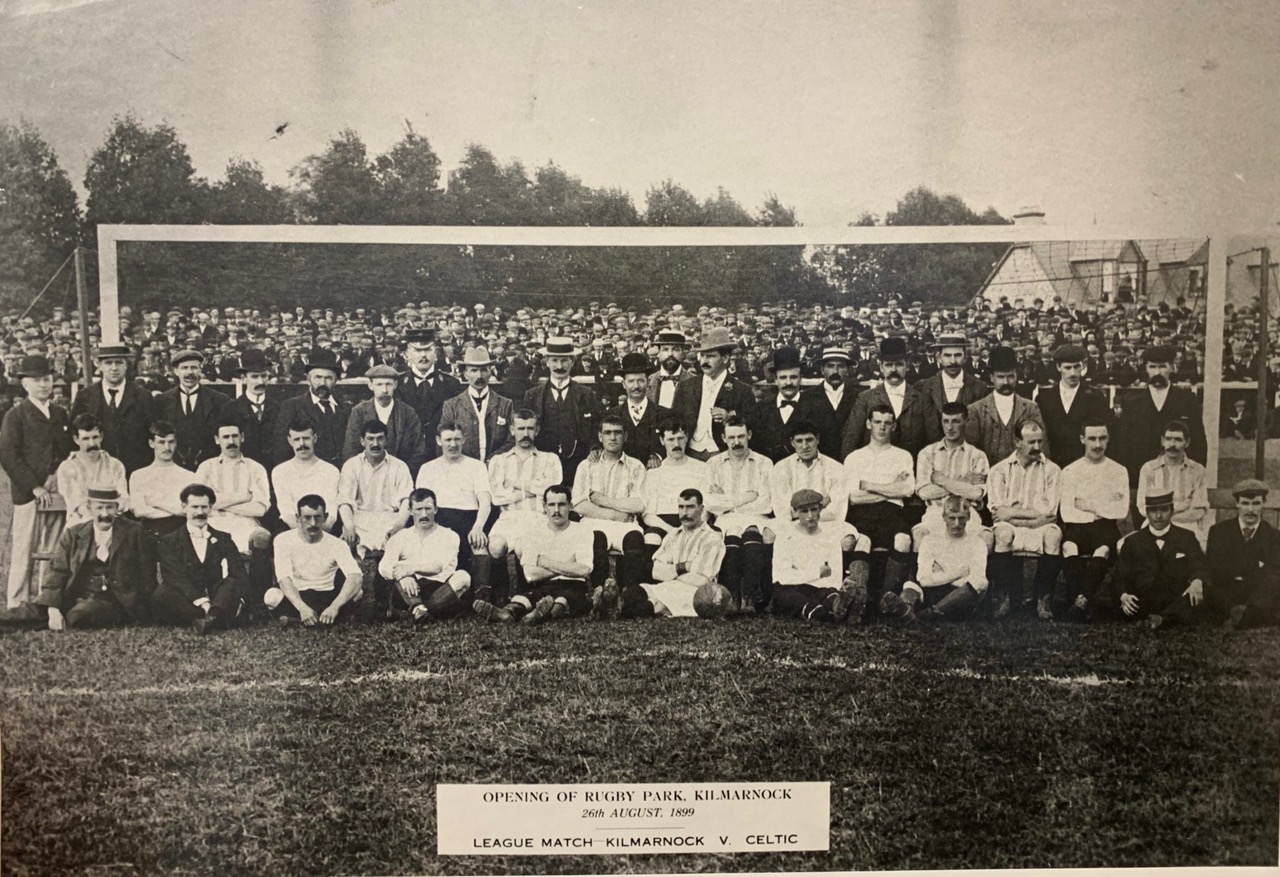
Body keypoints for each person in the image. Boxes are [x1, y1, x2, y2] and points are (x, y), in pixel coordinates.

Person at [0, 355, 73, 612]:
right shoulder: (16, 415)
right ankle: (17, 602)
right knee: (24, 545)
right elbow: (9, 455)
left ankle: (45, 597)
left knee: (52, 545)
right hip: (29, 492)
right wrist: (34, 486)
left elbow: (66, 449)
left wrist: (56, 475)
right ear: (25, 384)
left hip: (55, 488)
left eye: (46, 379)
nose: (43, 385)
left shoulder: (60, 413)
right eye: (36, 380)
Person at [473, 485, 598, 624]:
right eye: (551, 505)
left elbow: (584, 570)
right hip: (543, 585)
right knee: (524, 598)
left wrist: (546, 562)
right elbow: (531, 575)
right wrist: (569, 565)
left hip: (573, 586)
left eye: (561, 505)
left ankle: (542, 615)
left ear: (570, 506)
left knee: (563, 600)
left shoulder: (582, 531)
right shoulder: (533, 532)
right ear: (544, 507)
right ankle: (505, 613)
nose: (556, 510)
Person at [36, 486, 153, 630]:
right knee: (25, 613)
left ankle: (60, 619)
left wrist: (138, 608)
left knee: (80, 614)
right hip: (75, 595)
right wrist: (53, 609)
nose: (105, 514)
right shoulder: (73, 534)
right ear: (89, 508)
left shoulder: (134, 532)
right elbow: (58, 571)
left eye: (109, 508)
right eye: (99, 508)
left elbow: (147, 573)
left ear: (117, 508)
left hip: (115, 602)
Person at [987, 421, 1062, 620]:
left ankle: (1042, 599)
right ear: (1017, 442)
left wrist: (1012, 513)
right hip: (1011, 527)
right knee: (1003, 534)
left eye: (1040, 441)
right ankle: (1005, 599)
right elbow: (996, 510)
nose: (1037, 447)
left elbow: (1050, 510)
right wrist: (1033, 516)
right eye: (1031, 442)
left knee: (1053, 536)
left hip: (1041, 527)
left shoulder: (1052, 470)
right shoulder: (1000, 470)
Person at [1058, 419, 1130, 621]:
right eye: (1092, 439)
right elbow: (1067, 513)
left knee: (1103, 550)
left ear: (1108, 439)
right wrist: (1104, 507)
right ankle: (1080, 601)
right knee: (1069, 547)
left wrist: (1089, 505)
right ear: (1082, 439)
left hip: (1105, 528)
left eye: (1102, 438)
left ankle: (1080, 600)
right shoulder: (1070, 471)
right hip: (1077, 527)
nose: (1097, 444)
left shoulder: (1119, 470)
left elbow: (1121, 511)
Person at [152, 483, 247, 634]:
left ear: (210, 508)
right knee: (162, 593)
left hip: (217, 598)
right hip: (189, 600)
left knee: (231, 583)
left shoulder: (223, 538)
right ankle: (209, 619)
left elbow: (238, 572)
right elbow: (174, 577)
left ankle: (209, 619)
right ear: (184, 507)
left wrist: (225, 599)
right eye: (194, 507)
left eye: (204, 507)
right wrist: (202, 602)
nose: (200, 512)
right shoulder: (169, 540)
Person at [769, 488, 872, 624]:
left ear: (820, 509)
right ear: (795, 512)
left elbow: (833, 576)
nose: (810, 515)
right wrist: (817, 572)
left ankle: (839, 605)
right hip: (792, 587)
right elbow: (782, 576)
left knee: (830, 594)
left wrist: (800, 571)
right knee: (788, 598)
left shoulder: (829, 537)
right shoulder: (786, 536)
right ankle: (826, 614)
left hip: (820, 588)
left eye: (814, 509)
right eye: (804, 511)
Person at [882, 495, 989, 623]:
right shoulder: (930, 540)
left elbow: (977, 579)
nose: (956, 524)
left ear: (968, 517)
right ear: (943, 517)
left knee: (981, 583)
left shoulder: (977, 543)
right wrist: (960, 573)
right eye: (952, 518)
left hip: (962, 601)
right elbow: (923, 579)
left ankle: (928, 614)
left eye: (961, 518)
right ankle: (906, 609)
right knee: (910, 585)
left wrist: (939, 575)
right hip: (935, 594)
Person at [1116, 344, 1207, 491]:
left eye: (1162, 367)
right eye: (1152, 367)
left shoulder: (1187, 400)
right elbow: (1123, 445)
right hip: (1141, 478)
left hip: (1178, 478)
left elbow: (1198, 441)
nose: (1157, 372)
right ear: (1146, 368)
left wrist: (1194, 475)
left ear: (1172, 367)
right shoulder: (1132, 403)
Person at [1111, 489, 1206, 629]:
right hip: (1145, 598)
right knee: (1131, 604)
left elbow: (1200, 566)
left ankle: (1160, 619)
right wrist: (1124, 595)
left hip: (1175, 598)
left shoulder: (1186, 537)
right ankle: (1164, 619)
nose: (1159, 516)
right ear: (1147, 513)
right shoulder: (1133, 541)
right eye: (1153, 511)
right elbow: (1119, 575)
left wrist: (1197, 580)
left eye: (1164, 510)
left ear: (1172, 510)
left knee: (1194, 598)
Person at [266, 494, 364, 626]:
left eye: (318, 517)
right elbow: (284, 579)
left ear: (325, 517)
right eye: (307, 517)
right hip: (297, 595)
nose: (313, 523)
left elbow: (356, 576)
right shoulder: (283, 540)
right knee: (271, 596)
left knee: (358, 592)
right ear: (298, 518)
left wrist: (334, 607)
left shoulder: (337, 543)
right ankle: (329, 618)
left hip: (327, 595)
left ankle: (300, 619)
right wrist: (302, 608)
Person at [378, 488, 472, 623]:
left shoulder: (449, 536)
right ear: (410, 511)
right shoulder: (400, 537)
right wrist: (403, 576)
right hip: (410, 590)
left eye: (428, 509)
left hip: (441, 590)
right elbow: (384, 566)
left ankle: (417, 611)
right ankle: (420, 608)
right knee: (398, 570)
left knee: (463, 577)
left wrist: (410, 568)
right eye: (418, 509)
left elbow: (438, 566)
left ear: (436, 509)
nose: (423, 514)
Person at [630, 488, 727, 618]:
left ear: (702, 509)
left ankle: (642, 608)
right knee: (636, 592)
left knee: (656, 604)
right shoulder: (673, 535)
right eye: (681, 507)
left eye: (690, 507)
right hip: (667, 586)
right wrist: (685, 567)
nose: (684, 513)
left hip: (694, 593)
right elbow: (656, 571)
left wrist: (669, 573)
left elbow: (701, 580)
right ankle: (614, 606)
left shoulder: (712, 538)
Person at [523, 336, 606, 484]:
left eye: (564, 360)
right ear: (547, 362)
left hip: (577, 463)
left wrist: (594, 448)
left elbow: (596, 425)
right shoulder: (532, 395)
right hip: (543, 464)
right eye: (554, 360)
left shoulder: (586, 394)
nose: (559, 366)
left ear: (572, 362)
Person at [672, 326, 756, 461]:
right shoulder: (686, 386)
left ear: (725, 358)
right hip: (689, 453)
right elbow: (674, 420)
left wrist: (729, 418)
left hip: (723, 453)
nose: (704, 361)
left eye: (711, 356)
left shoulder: (742, 390)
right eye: (703, 356)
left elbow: (752, 424)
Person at [415, 420, 492, 568]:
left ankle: (482, 591)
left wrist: (478, 527)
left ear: (464, 440)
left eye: (457, 439)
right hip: (438, 520)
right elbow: (420, 505)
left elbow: (485, 502)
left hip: (469, 519)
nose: (453, 444)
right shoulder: (427, 468)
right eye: (448, 440)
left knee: (479, 546)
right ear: (438, 441)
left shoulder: (477, 466)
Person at [1205, 478, 1279, 629]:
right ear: (1237, 503)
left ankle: (1243, 615)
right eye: (1245, 503)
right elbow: (1216, 568)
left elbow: (1274, 572)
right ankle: (1247, 616)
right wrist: (1255, 564)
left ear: (1263, 503)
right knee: (1214, 589)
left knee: (1271, 585)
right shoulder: (1219, 531)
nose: (1250, 510)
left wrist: (1237, 566)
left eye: (1256, 503)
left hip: (1258, 592)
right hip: (1228, 589)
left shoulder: (1274, 535)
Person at [69, 343, 153, 474]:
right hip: (96, 471)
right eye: (108, 363)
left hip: (135, 471)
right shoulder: (85, 396)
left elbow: (152, 436)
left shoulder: (143, 397)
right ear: (99, 365)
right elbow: (74, 435)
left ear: (126, 365)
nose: (114, 368)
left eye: (119, 363)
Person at [337, 419, 414, 559]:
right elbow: (344, 501)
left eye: (380, 438)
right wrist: (349, 527)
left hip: (390, 522)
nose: (375, 444)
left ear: (386, 440)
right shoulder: (351, 465)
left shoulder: (399, 466)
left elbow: (406, 501)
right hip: (360, 522)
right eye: (370, 439)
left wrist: (398, 527)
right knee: (345, 544)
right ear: (362, 441)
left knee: (402, 546)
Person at [486, 409, 563, 546]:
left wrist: (513, 484)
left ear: (537, 430)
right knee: (495, 547)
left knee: (525, 547)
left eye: (530, 429)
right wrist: (533, 490)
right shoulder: (499, 461)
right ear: (512, 430)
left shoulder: (550, 459)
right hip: (508, 519)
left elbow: (551, 491)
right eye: (521, 429)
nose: (525, 434)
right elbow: (496, 498)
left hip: (540, 518)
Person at [965, 346, 1049, 466]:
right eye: (1000, 377)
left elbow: (1042, 448)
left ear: (1016, 375)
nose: (1006, 382)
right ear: (991, 377)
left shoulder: (1030, 408)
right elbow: (970, 452)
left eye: (1010, 376)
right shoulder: (976, 410)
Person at [843, 337, 926, 457]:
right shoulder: (865, 398)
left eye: (898, 364)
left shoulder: (920, 399)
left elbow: (932, 439)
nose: (893, 369)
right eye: (888, 365)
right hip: (874, 467)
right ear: (881, 368)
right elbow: (852, 437)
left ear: (907, 366)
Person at [1035, 344, 1111, 468]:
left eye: (1077, 367)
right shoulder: (1044, 398)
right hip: (1053, 465)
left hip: (1085, 465)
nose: (1073, 373)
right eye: (1068, 368)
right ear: (1059, 367)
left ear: (1083, 367)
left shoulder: (1096, 397)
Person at [342, 364, 427, 474]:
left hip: (400, 475)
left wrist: (402, 473)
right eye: (379, 384)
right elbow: (350, 449)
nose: (384, 389)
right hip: (366, 474)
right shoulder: (359, 412)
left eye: (388, 384)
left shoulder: (407, 413)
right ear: (370, 385)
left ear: (395, 385)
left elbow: (418, 450)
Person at [153, 349, 231, 469]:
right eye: (184, 368)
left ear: (200, 369)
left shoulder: (219, 400)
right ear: (176, 371)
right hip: (173, 467)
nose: (190, 372)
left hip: (210, 467)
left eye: (194, 368)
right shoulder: (161, 401)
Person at [272, 348, 350, 468]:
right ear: (309, 379)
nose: (322, 383)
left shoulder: (345, 408)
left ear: (335, 381)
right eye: (317, 377)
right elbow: (281, 449)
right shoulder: (292, 406)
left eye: (328, 378)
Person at [439, 346, 515, 464]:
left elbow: (511, 440)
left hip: (496, 468)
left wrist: (492, 460)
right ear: (465, 374)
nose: (479, 376)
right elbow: (445, 441)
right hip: (462, 470)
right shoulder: (452, 405)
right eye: (474, 370)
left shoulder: (505, 404)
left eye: (484, 370)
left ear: (490, 372)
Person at [395, 327, 460, 463]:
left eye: (428, 350)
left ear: (436, 353)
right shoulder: (397, 385)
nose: (423, 355)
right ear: (407, 354)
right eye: (417, 350)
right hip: (407, 457)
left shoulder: (451, 384)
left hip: (442, 456)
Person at [1136, 419, 1208, 538]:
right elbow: (1143, 507)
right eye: (1168, 439)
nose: (1172, 445)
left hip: (1187, 525)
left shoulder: (1197, 470)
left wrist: (1168, 516)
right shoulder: (1149, 469)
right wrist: (1183, 506)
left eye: (1178, 440)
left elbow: (1199, 510)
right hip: (1155, 525)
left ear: (1187, 442)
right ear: (1162, 441)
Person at [57, 414, 130, 527]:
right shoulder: (67, 467)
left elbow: (123, 499)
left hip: (113, 523)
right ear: (76, 439)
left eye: (95, 437)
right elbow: (79, 505)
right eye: (85, 439)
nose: (91, 444)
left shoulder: (115, 465)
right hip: (81, 525)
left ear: (101, 436)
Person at [128, 420, 198, 539]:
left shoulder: (188, 476)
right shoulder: (138, 475)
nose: (167, 447)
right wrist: (174, 509)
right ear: (151, 443)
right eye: (161, 442)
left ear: (176, 443)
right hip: (149, 533)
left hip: (180, 533)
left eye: (171, 442)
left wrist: (155, 502)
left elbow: (189, 511)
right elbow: (139, 511)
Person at [770, 419, 847, 524]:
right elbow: (782, 511)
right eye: (799, 441)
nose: (805, 446)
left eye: (809, 440)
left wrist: (799, 512)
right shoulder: (781, 468)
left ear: (818, 439)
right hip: (792, 525)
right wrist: (821, 506)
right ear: (792, 442)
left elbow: (837, 511)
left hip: (826, 526)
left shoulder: (835, 467)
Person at [918, 333, 989, 447]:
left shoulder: (979, 388)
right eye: (947, 355)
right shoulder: (923, 387)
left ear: (965, 357)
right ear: (938, 358)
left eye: (957, 355)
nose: (952, 361)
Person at [271, 420, 341, 531]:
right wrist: (304, 534)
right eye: (296, 439)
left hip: (324, 530)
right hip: (292, 529)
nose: (301, 444)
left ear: (315, 438)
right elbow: (286, 511)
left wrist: (319, 533)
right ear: (290, 441)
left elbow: (331, 512)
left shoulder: (330, 471)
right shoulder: (280, 471)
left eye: (306, 438)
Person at [796, 346, 858, 462]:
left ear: (848, 370)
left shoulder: (859, 397)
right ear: (822, 370)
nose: (835, 371)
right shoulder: (807, 397)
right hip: (818, 464)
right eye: (830, 366)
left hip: (851, 463)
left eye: (840, 366)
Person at [609, 351, 670, 466]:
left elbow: (670, 442)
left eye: (641, 380)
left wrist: (657, 455)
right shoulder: (612, 414)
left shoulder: (663, 414)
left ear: (648, 382)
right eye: (631, 381)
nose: (636, 386)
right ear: (623, 384)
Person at [223, 348, 278, 470]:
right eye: (254, 376)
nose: (260, 381)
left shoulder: (279, 408)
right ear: (243, 378)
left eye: (264, 376)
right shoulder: (230, 409)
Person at [753, 346, 806, 462]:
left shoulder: (813, 408)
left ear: (800, 378)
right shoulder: (761, 409)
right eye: (783, 378)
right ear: (776, 380)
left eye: (793, 377)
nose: (788, 383)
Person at [647, 329, 693, 409]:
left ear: (683, 353)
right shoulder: (650, 381)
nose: (670, 354)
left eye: (675, 349)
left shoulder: (693, 381)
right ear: (658, 353)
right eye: (665, 349)